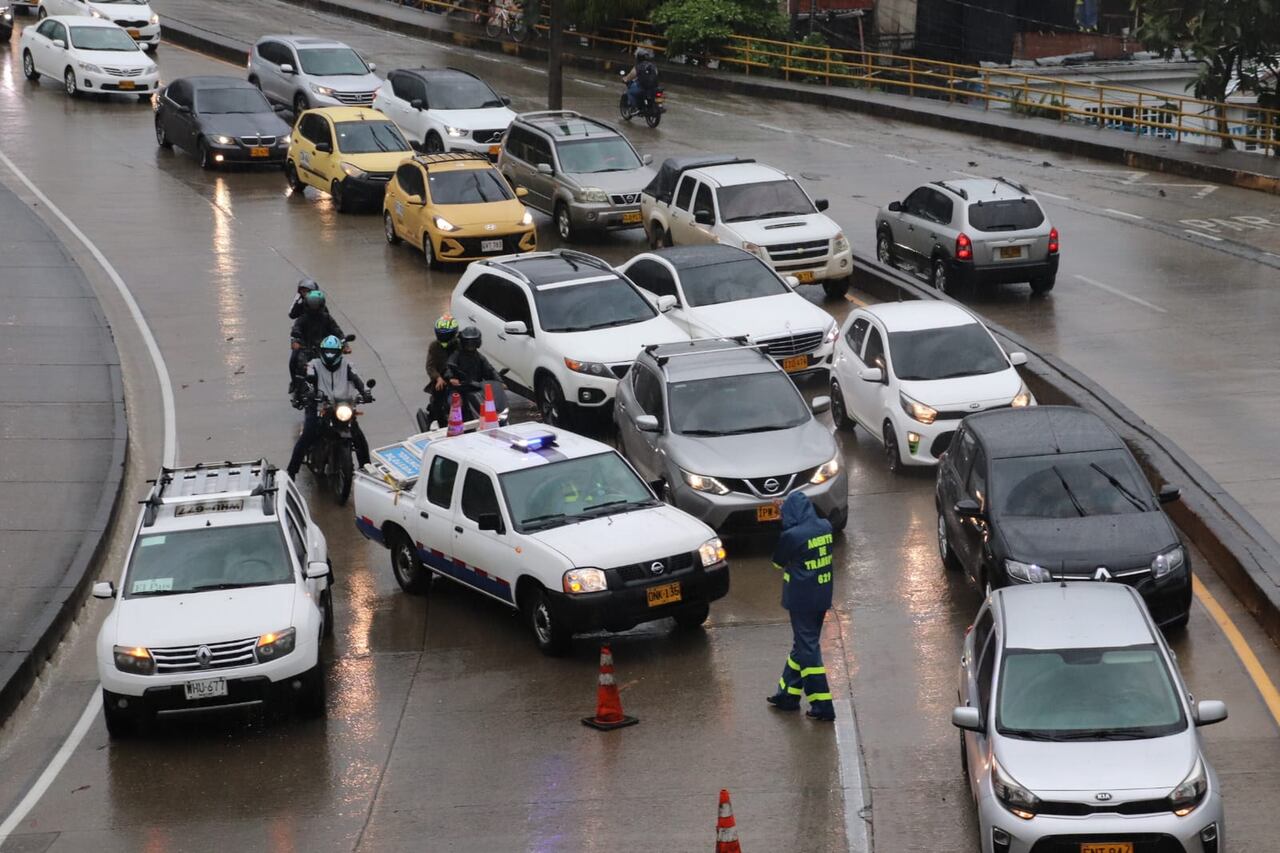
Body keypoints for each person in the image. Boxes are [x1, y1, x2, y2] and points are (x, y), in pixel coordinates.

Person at [766, 491, 836, 721]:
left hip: (801, 599)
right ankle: (787, 694)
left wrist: (782, 521)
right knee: (803, 643)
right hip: (822, 595)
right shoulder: (825, 526)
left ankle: (822, 704)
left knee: (807, 650)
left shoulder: (793, 536)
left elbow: (778, 563)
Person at [286, 335, 372, 479]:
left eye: (333, 351)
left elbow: (357, 380)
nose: (330, 354)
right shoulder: (314, 364)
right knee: (308, 433)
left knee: (358, 437)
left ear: (339, 351)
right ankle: (291, 471)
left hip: (342, 404)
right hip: (318, 405)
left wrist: (365, 392)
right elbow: (308, 379)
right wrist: (309, 391)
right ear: (322, 351)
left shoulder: (347, 365)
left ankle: (367, 469)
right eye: (327, 351)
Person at [289, 289, 344, 395]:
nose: (314, 308)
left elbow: (337, 330)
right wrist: (296, 341)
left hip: (325, 348)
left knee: (340, 364)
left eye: (316, 305)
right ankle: (297, 385)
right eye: (312, 305)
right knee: (296, 361)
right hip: (306, 348)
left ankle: (340, 387)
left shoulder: (327, 318)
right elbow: (296, 329)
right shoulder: (302, 318)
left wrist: (345, 344)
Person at [425, 314, 459, 428]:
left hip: (459, 378)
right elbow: (430, 366)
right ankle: (439, 423)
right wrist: (438, 378)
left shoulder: (460, 344)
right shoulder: (434, 346)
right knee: (437, 403)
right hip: (442, 380)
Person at [624, 46, 660, 112]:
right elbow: (656, 74)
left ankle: (634, 107)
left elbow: (631, 75)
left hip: (643, 87)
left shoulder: (638, 66)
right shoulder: (653, 66)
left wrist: (625, 79)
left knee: (630, 92)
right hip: (655, 87)